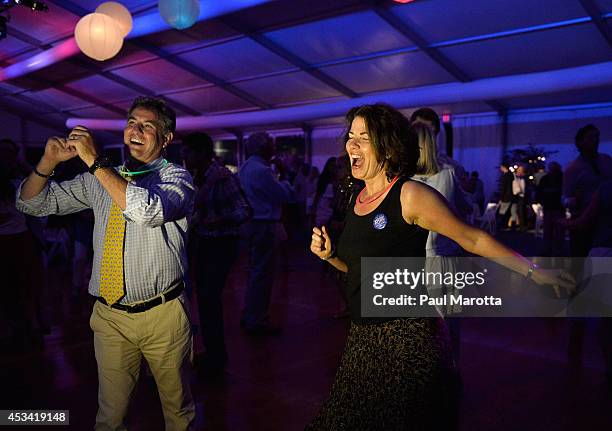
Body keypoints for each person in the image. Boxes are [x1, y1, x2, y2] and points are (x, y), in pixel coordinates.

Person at [308, 104, 574, 430]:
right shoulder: (356, 198)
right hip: (363, 340)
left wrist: (535, 271)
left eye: (364, 137)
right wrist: (330, 255)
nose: (352, 145)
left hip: (405, 339)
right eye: (351, 137)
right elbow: (358, 271)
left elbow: (472, 239)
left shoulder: (411, 195)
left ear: (388, 148)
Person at [16, 96, 196, 431]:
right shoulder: (100, 178)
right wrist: (46, 162)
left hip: (163, 316)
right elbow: (32, 204)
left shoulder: (176, 179)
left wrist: (95, 162)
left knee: (177, 413)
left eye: (147, 125)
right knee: (110, 416)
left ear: (166, 138)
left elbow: (147, 211)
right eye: (131, 122)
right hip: (110, 317)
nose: (135, 130)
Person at [182, 132, 251, 376]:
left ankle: (216, 357)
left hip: (219, 245)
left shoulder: (220, 176)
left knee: (209, 300)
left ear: (202, 153)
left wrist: (213, 220)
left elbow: (243, 211)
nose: (184, 157)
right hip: (206, 244)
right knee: (206, 301)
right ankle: (213, 354)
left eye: (188, 151)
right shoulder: (199, 176)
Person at [412, 123, 472, 365]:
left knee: (419, 327)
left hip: (415, 261)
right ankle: (451, 373)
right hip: (446, 259)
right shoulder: (447, 174)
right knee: (450, 325)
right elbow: (467, 208)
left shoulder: (403, 180)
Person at [238, 132, 294, 335]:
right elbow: (284, 195)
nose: (274, 147)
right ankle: (257, 319)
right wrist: (285, 178)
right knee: (263, 273)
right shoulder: (262, 170)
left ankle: (250, 313)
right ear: (262, 147)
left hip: (251, 222)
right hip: (264, 224)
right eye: (271, 144)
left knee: (254, 271)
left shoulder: (246, 167)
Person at [536, 161, 564, 256]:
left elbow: (539, 193)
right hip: (557, 208)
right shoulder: (562, 178)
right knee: (558, 230)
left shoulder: (545, 179)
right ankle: (558, 250)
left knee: (549, 230)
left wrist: (541, 201)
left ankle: (548, 250)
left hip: (550, 208)